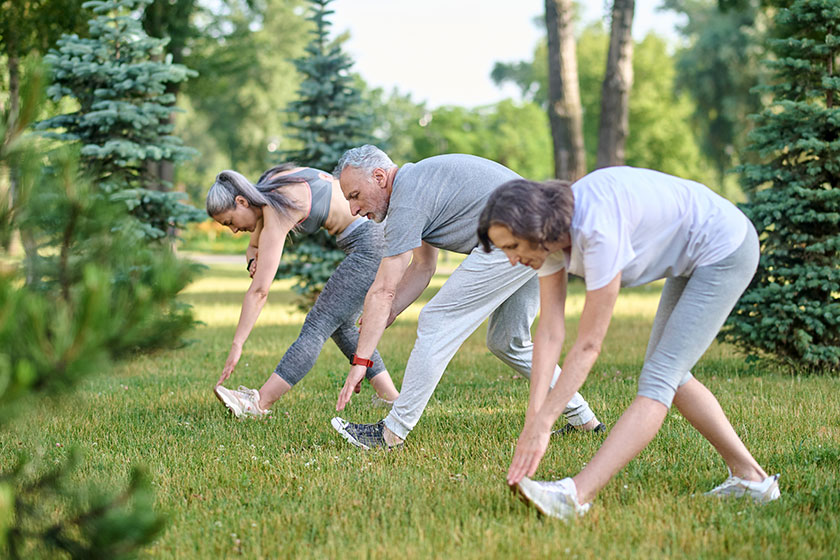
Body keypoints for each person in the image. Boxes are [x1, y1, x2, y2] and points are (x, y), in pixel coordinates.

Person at [477, 166, 780, 520]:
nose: (512, 259)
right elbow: (549, 332)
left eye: (512, 247)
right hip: (696, 254)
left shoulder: (596, 228)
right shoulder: (549, 241)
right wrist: (534, 418)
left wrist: (547, 422)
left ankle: (575, 496)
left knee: (659, 378)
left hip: (725, 247)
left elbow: (589, 345)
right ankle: (752, 479)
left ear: (536, 226)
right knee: (672, 375)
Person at [329, 145, 605, 450]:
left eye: (355, 195)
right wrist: (389, 311)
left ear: (379, 177)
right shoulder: (417, 185)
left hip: (518, 234)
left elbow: (384, 289)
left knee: (436, 320)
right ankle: (584, 421)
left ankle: (391, 433)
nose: (353, 210)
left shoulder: (408, 197)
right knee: (508, 341)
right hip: (540, 230)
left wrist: (361, 361)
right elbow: (423, 266)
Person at [206, 164, 400, 417]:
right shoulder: (272, 182)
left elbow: (259, 291)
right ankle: (392, 399)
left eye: (230, 222)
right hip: (376, 235)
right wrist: (253, 253)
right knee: (341, 326)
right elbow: (256, 238)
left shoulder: (277, 209)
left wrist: (237, 344)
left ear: (242, 201)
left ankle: (259, 404)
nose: (233, 230)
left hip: (370, 244)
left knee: (318, 324)